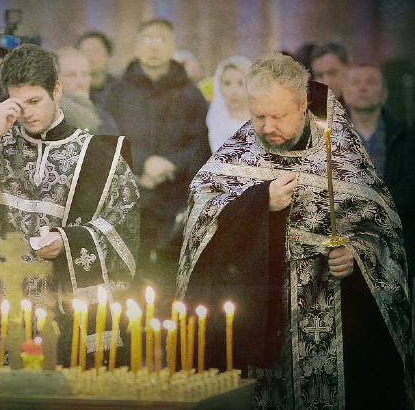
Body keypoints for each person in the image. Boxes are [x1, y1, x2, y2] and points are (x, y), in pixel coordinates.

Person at [177, 52, 414, 409]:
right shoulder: (237, 154)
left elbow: (382, 230)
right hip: (258, 311)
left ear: (303, 104)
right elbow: (202, 215)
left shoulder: (340, 153)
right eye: (258, 116)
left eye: (278, 116)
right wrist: (260, 203)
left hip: (333, 311)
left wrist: (354, 253)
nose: (267, 127)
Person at [0, 43, 139, 365]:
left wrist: (69, 240)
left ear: (56, 90)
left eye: (34, 101)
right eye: (18, 103)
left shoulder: (97, 156)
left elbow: (123, 225)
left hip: (61, 313)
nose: (27, 113)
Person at [103, 19, 210, 300]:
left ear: (173, 47)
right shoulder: (117, 92)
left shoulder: (190, 94)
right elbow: (107, 135)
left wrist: (171, 164)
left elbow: (200, 143)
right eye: (147, 39)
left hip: (174, 198)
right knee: (128, 278)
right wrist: (142, 164)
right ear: (136, 47)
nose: (154, 46)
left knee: (168, 280)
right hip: (128, 196)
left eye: (161, 39)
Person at [342, 63, 415, 292]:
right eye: (356, 82)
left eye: (371, 82)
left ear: (384, 94)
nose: (363, 88)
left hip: (394, 247)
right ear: (345, 93)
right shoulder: (332, 137)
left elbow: (410, 186)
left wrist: (375, 208)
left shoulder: (403, 136)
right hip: (346, 248)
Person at [55, 47, 118, 134]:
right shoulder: (52, 117)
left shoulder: (101, 112)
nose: (81, 82)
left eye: (85, 74)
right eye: (71, 75)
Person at [205, 55, 252, 152]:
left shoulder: (264, 120)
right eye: (227, 83)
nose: (233, 91)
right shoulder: (213, 119)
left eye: (240, 83)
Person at [76, 31, 117, 106]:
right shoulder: (73, 91)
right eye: (85, 51)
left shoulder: (122, 89)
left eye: (96, 51)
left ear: (108, 55)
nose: (90, 56)